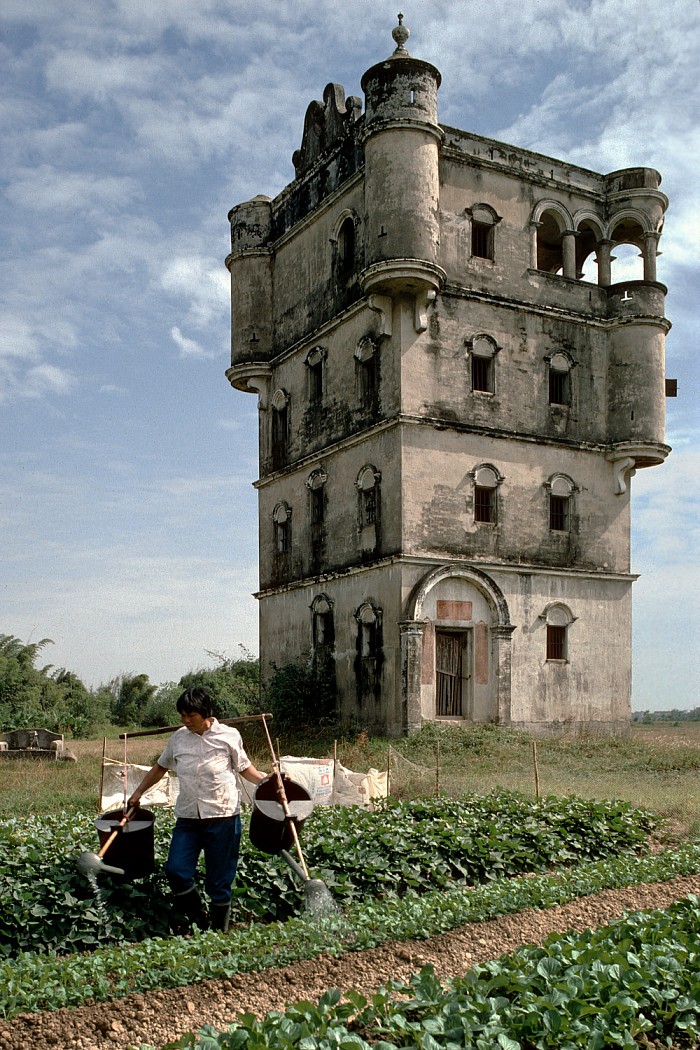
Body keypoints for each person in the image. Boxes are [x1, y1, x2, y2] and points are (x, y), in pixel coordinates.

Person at [128, 686, 266, 934]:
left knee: (219, 880)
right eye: (182, 715)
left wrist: (267, 781)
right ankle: (199, 919)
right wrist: (138, 793)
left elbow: (245, 768)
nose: (185, 720)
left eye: (190, 715)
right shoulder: (178, 738)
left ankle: (219, 932)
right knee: (176, 870)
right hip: (189, 817)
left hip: (222, 816)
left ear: (205, 713)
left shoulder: (229, 736)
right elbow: (160, 768)